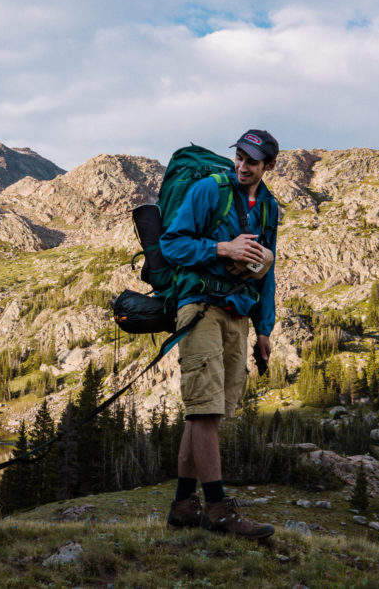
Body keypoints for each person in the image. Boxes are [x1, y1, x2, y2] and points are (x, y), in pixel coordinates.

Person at [159, 129, 279, 538]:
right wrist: (221, 249)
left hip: (238, 313)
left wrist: (264, 329)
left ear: (268, 167)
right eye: (240, 157)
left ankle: (182, 506)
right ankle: (218, 510)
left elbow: (269, 271)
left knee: (207, 410)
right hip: (199, 305)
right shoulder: (210, 190)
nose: (243, 167)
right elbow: (171, 244)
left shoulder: (268, 207)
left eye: (253, 161)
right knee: (205, 409)